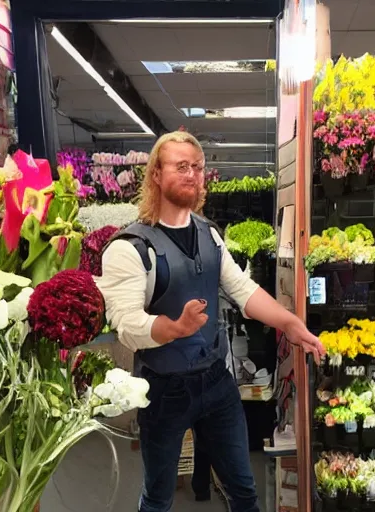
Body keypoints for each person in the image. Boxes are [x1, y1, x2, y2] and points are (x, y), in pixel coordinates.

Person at [96, 131, 325, 512]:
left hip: (216, 382)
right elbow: (127, 324)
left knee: (244, 492)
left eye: (198, 167)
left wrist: (289, 324)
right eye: (180, 166)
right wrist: (173, 328)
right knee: (157, 498)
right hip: (163, 389)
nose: (192, 174)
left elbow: (243, 290)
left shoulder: (210, 235)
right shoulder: (130, 247)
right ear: (155, 174)